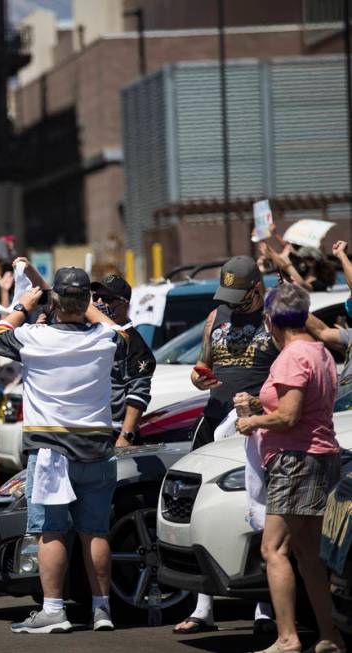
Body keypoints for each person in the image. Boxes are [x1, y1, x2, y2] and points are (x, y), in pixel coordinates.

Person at [0, 268, 120, 635]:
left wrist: (22, 304)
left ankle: (54, 610)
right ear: (87, 302)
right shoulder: (105, 337)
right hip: (96, 446)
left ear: (56, 301)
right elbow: (130, 340)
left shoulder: (34, 336)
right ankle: (102, 609)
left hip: (50, 452)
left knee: (52, 532)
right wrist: (90, 308)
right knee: (95, 531)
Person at [234, 284, 345, 653]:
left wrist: (253, 422)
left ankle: (287, 637)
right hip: (320, 456)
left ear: (271, 321)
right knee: (308, 553)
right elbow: (301, 406)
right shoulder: (319, 351)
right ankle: (329, 634)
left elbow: (289, 415)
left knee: (274, 549)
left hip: (297, 460)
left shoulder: (292, 356)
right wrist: (256, 402)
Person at [176, 255, 278, 635]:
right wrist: (198, 377)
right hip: (215, 419)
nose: (232, 304)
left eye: (240, 296)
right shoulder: (217, 316)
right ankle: (204, 607)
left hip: (256, 425)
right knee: (203, 512)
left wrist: (261, 404)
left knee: (257, 516)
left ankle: (264, 608)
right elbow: (203, 365)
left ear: (257, 288)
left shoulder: (273, 317)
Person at [90, 275, 156, 447]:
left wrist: (125, 437)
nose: (99, 303)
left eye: (106, 299)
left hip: (113, 434)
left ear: (125, 303)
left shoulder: (134, 344)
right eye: (95, 297)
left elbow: (138, 395)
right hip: (88, 432)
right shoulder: (92, 335)